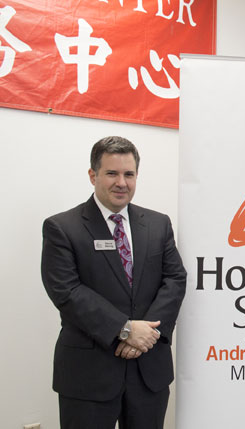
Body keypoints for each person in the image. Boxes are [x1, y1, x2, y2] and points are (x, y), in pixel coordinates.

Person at [41, 136, 187, 428]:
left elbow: (175, 278)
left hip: (148, 370)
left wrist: (147, 335)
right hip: (89, 376)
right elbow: (66, 291)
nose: (122, 182)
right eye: (112, 173)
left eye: (129, 174)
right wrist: (125, 329)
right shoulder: (62, 228)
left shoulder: (158, 224)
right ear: (92, 175)